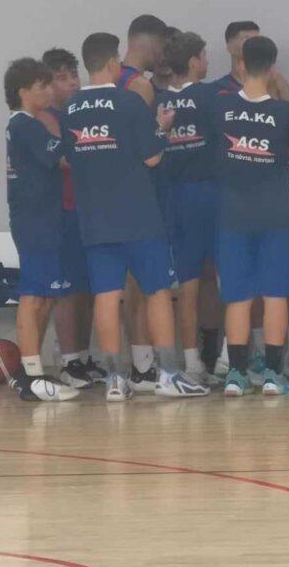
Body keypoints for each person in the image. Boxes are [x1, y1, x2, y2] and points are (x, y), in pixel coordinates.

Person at [61, 32, 209, 401]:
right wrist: (162, 127)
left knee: (107, 297)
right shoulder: (128, 102)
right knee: (157, 292)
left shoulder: (70, 109)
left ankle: (115, 379)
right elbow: (153, 157)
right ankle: (169, 374)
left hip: (95, 218)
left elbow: (70, 160)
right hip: (139, 216)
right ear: (113, 63)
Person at [210, 36, 289, 396]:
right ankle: (271, 374)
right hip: (274, 213)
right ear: (272, 68)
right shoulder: (285, 113)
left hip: (232, 214)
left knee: (237, 296)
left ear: (241, 65)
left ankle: (235, 375)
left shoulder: (219, 106)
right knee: (275, 294)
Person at [3, 58, 83, 402]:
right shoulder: (25, 125)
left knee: (46, 295)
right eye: (43, 86)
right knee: (33, 295)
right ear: (24, 92)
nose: (50, 92)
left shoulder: (29, 124)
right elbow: (64, 157)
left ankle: (29, 371)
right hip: (34, 220)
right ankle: (32, 375)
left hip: (46, 218)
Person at [156, 31, 220, 386]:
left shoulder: (159, 102)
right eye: (205, 55)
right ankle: (228, 360)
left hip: (173, 200)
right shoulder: (211, 97)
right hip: (210, 195)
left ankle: (193, 363)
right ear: (194, 62)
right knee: (228, 276)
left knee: (188, 284)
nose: (207, 61)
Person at [39, 48, 106, 389]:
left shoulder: (79, 114)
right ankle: (67, 362)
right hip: (59, 213)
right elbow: (66, 159)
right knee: (66, 291)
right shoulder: (44, 119)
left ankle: (82, 355)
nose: (73, 83)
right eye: (62, 78)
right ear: (47, 84)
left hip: (87, 210)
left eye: (74, 75)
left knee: (87, 290)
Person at [117, 14, 168, 390]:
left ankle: (140, 366)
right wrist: (162, 131)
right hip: (139, 197)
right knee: (147, 286)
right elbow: (146, 151)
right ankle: (147, 368)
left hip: (108, 199)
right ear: (151, 44)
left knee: (123, 287)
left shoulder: (104, 82)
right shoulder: (140, 86)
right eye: (162, 48)